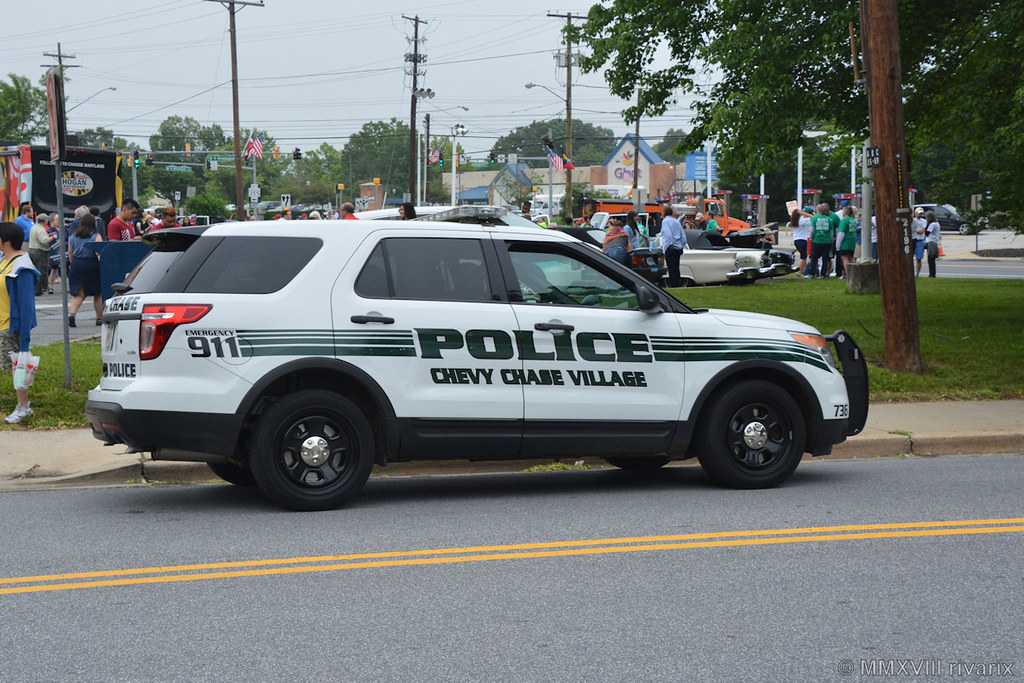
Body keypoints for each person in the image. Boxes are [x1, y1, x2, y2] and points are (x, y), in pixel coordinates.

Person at [1, 221, 40, 423]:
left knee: (20, 366)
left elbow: (26, 305)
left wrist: (24, 339)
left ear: (6, 241)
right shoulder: (3, 261)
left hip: (10, 327)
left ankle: (23, 407)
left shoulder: (22, 267)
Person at [67, 213, 103, 327]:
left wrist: (73, 263)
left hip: (77, 263)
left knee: (78, 294)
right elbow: (99, 253)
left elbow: (70, 252)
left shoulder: (73, 236)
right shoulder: (96, 236)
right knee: (98, 293)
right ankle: (99, 318)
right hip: (92, 264)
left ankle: (72, 314)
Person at [660, 205, 686, 287]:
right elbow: (683, 234)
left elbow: (668, 233)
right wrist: (682, 244)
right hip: (678, 247)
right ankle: (678, 284)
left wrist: (670, 244)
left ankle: (673, 285)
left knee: (671, 268)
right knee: (676, 267)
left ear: (664, 213)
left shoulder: (665, 221)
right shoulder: (676, 221)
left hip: (670, 247)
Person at [805, 204, 834, 279]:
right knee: (825, 259)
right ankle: (823, 274)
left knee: (814, 258)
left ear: (818, 211)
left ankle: (812, 273)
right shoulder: (829, 219)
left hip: (817, 240)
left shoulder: (815, 218)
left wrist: (811, 238)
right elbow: (831, 232)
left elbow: (812, 230)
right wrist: (831, 240)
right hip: (826, 241)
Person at [835, 205, 858, 279]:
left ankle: (849, 274)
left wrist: (838, 245)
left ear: (845, 212)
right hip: (852, 241)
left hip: (845, 242)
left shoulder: (844, 220)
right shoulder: (854, 220)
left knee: (845, 258)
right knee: (850, 258)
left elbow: (841, 233)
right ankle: (852, 274)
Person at [790, 206, 813, 275]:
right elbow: (813, 217)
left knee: (803, 256)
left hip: (796, 240)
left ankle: (802, 271)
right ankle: (799, 272)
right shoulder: (802, 221)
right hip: (802, 240)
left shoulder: (795, 222)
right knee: (803, 257)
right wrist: (804, 213)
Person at [46, 213, 62, 293]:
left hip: (63, 252)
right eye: (56, 219)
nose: (57, 221)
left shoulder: (64, 229)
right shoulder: (51, 230)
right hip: (54, 252)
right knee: (53, 269)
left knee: (66, 268)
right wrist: (51, 237)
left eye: (59, 219)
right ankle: (51, 287)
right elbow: (46, 239)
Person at [924, 210, 941, 277]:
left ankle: (932, 274)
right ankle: (932, 273)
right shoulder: (937, 223)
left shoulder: (932, 224)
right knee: (932, 259)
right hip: (935, 242)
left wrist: (927, 224)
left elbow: (927, 233)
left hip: (931, 242)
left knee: (930, 259)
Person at [912, 207, 927, 276]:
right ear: (915, 213)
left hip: (920, 241)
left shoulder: (924, 221)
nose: (920, 215)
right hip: (913, 240)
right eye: (919, 213)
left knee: (919, 258)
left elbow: (922, 231)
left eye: (921, 213)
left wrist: (914, 231)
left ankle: (917, 274)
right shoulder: (912, 220)